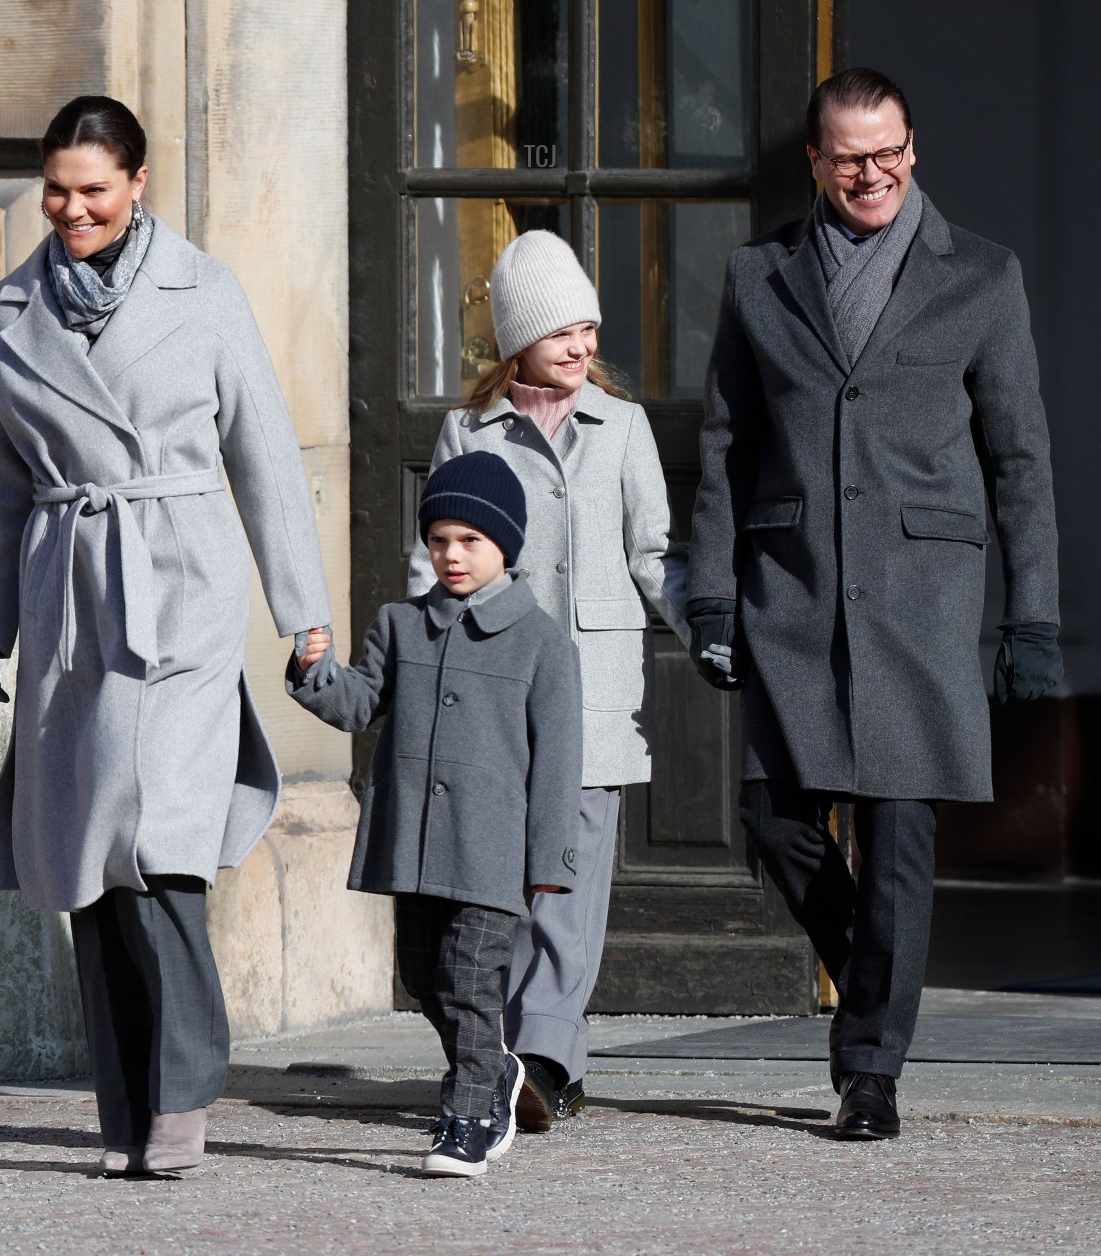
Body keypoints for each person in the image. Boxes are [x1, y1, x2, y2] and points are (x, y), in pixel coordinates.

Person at [0, 95, 334, 1175]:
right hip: (70, 591)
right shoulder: (11, 308)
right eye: (55, 190)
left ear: (139, 183)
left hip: (181, 586)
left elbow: (263, 450)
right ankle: (124, 1111)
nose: (72, 209)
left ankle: (183, 1095)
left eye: (94, 190)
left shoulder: (205, 291)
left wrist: (302, 610)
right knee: (91, 860)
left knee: (161, 845)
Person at [687, 67, 1061, 1139]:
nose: (871, 173)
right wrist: (711, 595)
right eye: (849, 157)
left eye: (887, 151)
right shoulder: (759, 276)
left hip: (921, 599)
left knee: (898, 834)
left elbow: (1020, 460)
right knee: (772, 814)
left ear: (913, 147)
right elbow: (725, 447)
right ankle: (875, 979)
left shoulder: (982, 275)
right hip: (794, 590)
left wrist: (1032, 617)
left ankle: (870, 1072)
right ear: (816, 162)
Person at [408, 231, 691, 1131]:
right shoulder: (468, 431)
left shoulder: (624, 427)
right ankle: (504, 1055)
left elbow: (655, 553)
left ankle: (544, 1060)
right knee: (500, 889)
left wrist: (712, 629)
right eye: (559, 330)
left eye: (587, 329)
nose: (579, 345)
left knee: (568, 885)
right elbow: (435, 560)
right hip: (495, 693)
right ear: (518, 339)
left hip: (594, 689)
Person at [290, 451, 583, 1177]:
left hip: (491, 851)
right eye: (439, 540)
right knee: (424, 976)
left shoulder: (543, 641)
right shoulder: (401, 624)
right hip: (415, 847)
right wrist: (313, 671)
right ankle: (497, 1071)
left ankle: (470, 1116)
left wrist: (549, 859)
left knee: (471, 979)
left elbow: (558, 765)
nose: (451, 555)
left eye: (470, 541)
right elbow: (358, 704)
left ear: (505, 546)